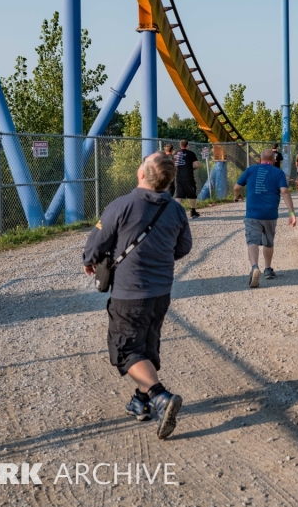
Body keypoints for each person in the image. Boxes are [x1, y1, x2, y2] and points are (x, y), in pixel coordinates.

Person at [83, 153, 192, 440]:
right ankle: (140, 402)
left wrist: (89, 260)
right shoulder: (177, 210)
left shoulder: (122, 205)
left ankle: (159, 396)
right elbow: (183, 248)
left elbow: (98, 241)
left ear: (142, 174)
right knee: (147, 345)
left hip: (130, 293)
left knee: (126, 350)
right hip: (161, 292)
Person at [233, 149, 297, 288]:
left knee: (252, 241)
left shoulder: (250, 170)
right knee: (268, 241)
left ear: (260, 159)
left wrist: (236, 196)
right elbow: (284, 191)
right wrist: (291, 213)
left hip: (252, 214)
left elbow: (236, 187)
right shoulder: (278, 173)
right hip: (270, 214)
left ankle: (255, 267)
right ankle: (268, 269)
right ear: (273, 160)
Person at [173, 139, 201, 218]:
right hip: (188, 177)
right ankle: (193, 211)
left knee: (178, 195)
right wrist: (193, 169)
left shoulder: (175, 153)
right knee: (192, 194)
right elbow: (197, 165)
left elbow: (173, 165)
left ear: (180, 145)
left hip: (178, 177)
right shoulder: (190, 153)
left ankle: (176, 213)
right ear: (187, 145)